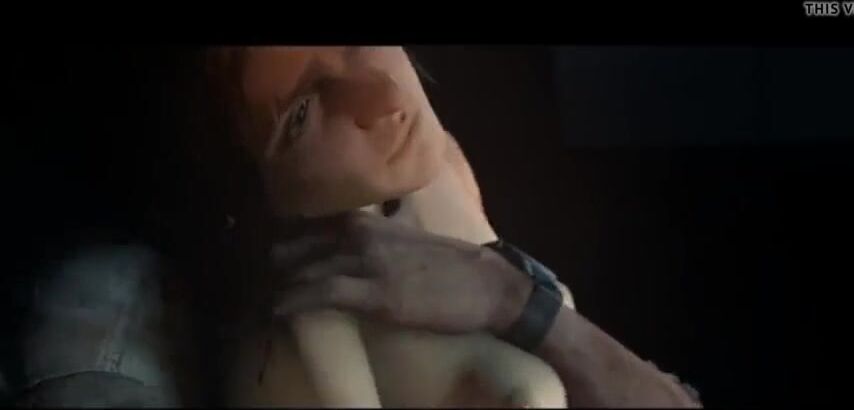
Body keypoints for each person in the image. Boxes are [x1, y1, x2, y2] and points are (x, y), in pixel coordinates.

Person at [12, 46, 701, 407]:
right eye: (302, 114)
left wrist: (517, 300)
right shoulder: (113, 303)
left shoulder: (439, 177)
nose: (382, 93)